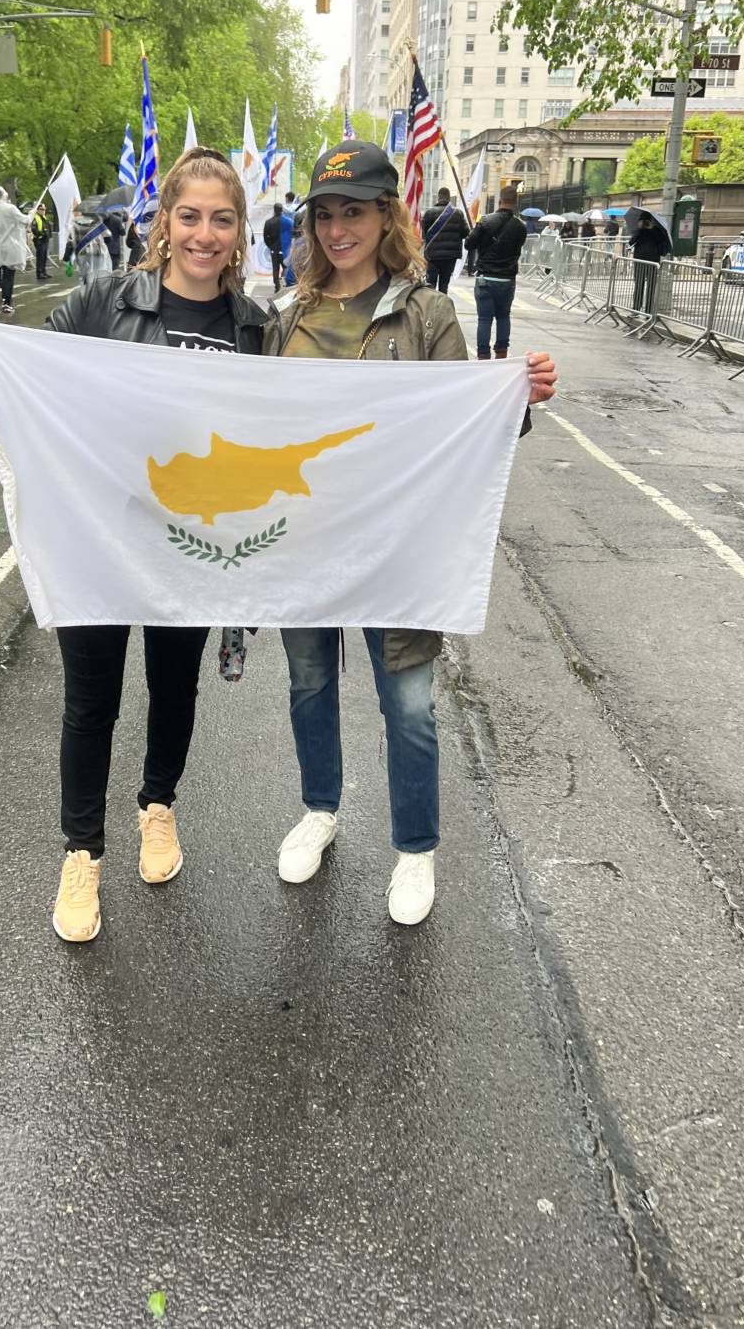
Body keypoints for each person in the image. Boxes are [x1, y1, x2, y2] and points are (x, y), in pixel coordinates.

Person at [0, 147, 267, 943]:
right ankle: (81, 853)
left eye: (222, 219)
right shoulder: (104, 300)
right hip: (95, 537)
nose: (204, 234)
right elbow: (20, 368)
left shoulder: (255, 327)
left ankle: (159, 807)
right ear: (164, 222)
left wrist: (491, 396)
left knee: (175, 688)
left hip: (190, 544)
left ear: (239, 231)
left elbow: (308, 422)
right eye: (190, 216)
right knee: (91, 703)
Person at [262, 141, 558, 927]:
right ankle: (320, 811)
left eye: (351, 211)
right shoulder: (285, 315)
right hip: (305, 544)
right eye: (323, 214)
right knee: (308, 686)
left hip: (398, 550)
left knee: (411, 706)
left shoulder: (426, 314)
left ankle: (415, 848)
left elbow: (467, 425)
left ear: (385, 215)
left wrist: (516, 397)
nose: (336, 229)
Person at [465, 183, 528, 360]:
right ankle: (501, 352)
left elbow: (469, 244)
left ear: (499, 201)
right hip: (507, 279)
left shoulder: (485, 221)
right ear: (515, 203)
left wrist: (475, 231)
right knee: (503, 316)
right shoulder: (520, 227)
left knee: (484, 319)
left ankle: (483, 354)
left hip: (486, 277)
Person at [0, 184, 32, 314]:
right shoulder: (10, 208)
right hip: (11, 245)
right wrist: (31, 214)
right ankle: (6, 302)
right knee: (9, 276)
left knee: (4, 273)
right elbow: (25, 220)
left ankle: (6, 300)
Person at [420, 186, 470, 295]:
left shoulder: (429, 213)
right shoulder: (458, 214)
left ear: (438, 198)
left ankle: (430, 308)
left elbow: (423, 234)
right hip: (450, 256)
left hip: (432, 256)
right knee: (444, 285)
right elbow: (466, 233)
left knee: (430, 285)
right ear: (449, 198)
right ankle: (441, 308)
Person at [628, 211, 670, 313]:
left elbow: (631, 241)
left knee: (646, 285)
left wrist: (644, 229)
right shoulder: (645, 231)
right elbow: (631, 242)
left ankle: (642, 309)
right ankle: (642, 309)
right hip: (647, 261)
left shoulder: (653, 231)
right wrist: (640, 229)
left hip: (647, 261)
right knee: (643, 285)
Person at [263, 202, 287, 290]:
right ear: (282, 210)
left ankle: (277, 286)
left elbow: (265, 236)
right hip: (284, 249)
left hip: (274, 249)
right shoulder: (286, 221)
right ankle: (283, 283)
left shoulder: (268, 222)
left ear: (274, 210)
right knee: (286, 266)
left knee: (275, 268)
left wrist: (270, 245)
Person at [30, 202, 53, 279]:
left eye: (44, 209)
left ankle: (44, 272)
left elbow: (48, 227)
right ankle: (39, 273)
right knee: (40, 257)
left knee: (44, 256)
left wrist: (48, 234)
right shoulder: (35, 218)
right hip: (39, 240)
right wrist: (42, 234)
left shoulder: (44, 218)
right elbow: (34, 229)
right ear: (37, 210)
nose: (43, 211)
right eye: (42, 209)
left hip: (45, 240)